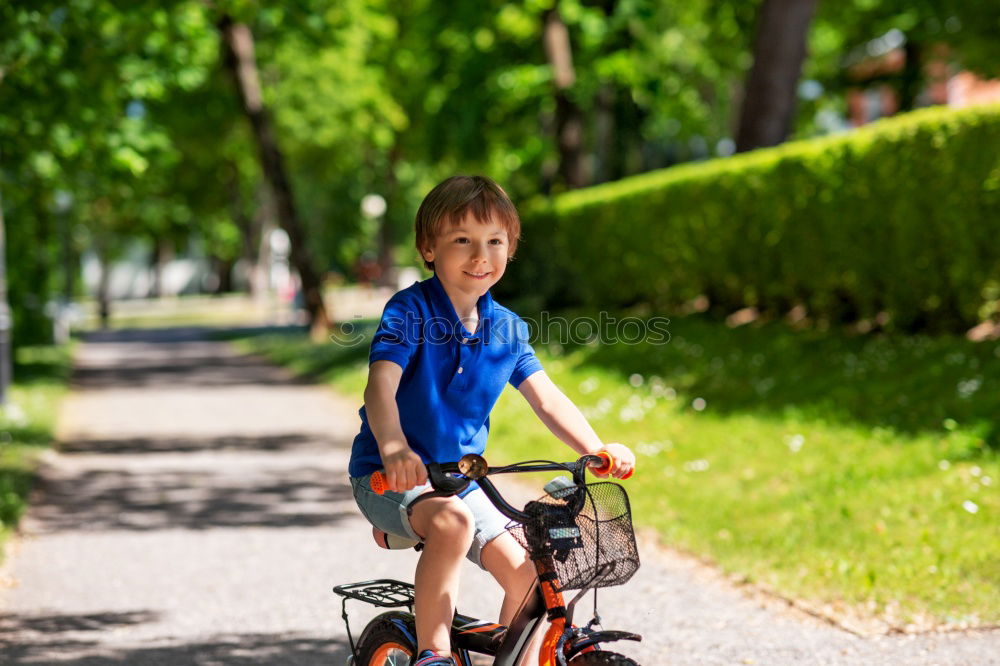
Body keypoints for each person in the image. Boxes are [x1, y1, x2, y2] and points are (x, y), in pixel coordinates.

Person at [348, 175, 635, 666]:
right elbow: (381, 384)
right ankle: (432, 654)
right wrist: (395, 447)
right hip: (391, 476)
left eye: (495, 241)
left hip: (461, 481)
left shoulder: (507, 328)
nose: (481, 255)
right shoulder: (410, 311)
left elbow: (546, 398)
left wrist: (597, 446)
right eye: (462, 240)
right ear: (428, 248)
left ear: (510, 249)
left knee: (530, 573)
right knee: (453, 522)